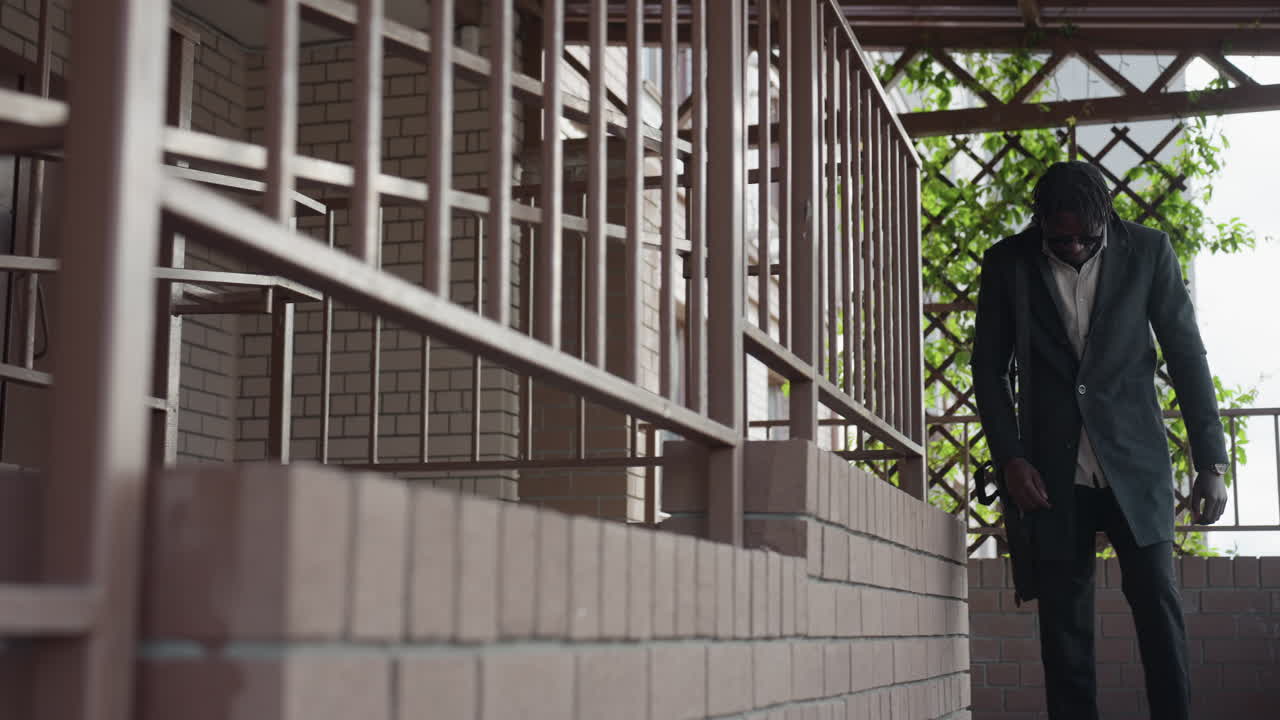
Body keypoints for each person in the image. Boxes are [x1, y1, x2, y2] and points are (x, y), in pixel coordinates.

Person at [970, 160, 1229, 720]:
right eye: (1058, 238)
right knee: (1064, 633)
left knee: (1159, 613)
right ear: (1040, 223)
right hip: (1050, 475)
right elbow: (989, 370)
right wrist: (1010, 458)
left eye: (1086, 238)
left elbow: (1187, 357)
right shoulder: (1007, 263)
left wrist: (1211, 460)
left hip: (1136, 468)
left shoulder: (1150, 251)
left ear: (1105, 219)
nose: (1074, 248)